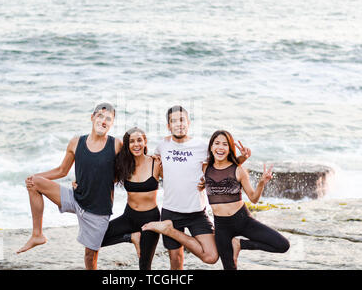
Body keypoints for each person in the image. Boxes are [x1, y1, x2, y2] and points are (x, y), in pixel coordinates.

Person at [142, 106, 251, 270]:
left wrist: (241, 158)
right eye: (173, 121)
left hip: (197, 212)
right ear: (168, 126)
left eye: (182, 120)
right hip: (171, 210)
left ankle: (169, 231)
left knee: (212, 256)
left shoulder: (201, 146)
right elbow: (158, 170)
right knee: (176, 261)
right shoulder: (162, 146)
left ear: (188, 122)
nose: (179, 124)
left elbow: (222, 167)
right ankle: (170, 229)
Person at [16, 103, 123, 270]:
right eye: (100, 116)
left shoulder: (116, 145)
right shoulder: (76, 142)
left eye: (108, 119)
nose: (103, 121)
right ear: (92, 117)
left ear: (112, 124)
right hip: (75, 198)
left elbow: (124, 172)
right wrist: (36, 177)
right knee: (34, 183)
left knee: (90, 257)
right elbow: (62, 170)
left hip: (98, 211)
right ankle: (37, 235)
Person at [201, 130, 290, 269]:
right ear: (211, 147)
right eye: (216, 143)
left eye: (225, 144)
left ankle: (240, 244)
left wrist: (261, 183)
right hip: (221, 226)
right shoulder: (205, 168)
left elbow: (253, 199)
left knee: (283, 245)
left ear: (230, 149)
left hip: (243, 220)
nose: (220, 147)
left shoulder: (238, 170)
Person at [97, 127, 162, 270]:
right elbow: (103, 179)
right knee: (95, 238)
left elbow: (175, 182)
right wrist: (79, 182)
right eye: (131, 141)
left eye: (139, 140)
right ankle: (131, 237)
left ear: (145, 142)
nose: (136, 144)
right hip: (129, 216)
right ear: (127, 145)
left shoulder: (156, 163)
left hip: (150, 219)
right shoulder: (123, 165)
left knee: (144, 266)